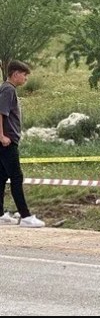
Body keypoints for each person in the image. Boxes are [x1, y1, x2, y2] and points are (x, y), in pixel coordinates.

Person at [0, 61, 45, 228]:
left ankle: (0, 214)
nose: (26, 78)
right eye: (24, 74)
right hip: (7, 142)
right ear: (15, 74)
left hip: (7, 141)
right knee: (17, 177)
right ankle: (25, 216)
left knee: (2, 177)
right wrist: (2, 136)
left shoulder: (7, 89)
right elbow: (1, 113)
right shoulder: (8, 89)